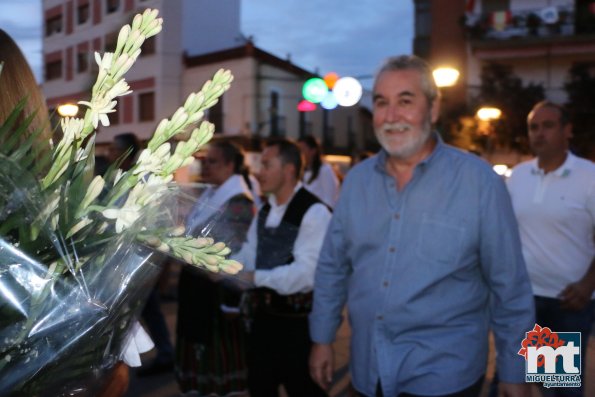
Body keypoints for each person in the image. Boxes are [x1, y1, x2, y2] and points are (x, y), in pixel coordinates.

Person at [308, 55, 535, 397]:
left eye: (405, 101)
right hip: (369, 372)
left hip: (448, 374)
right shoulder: (356, 183)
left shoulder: (479, 183)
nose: (391, 115)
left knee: (566, 383)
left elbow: (510, 287)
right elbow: (332, 267)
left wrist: (515, 372)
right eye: (382, 103)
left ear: (433, 109)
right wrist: (322, 338)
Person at [507, 101, 595, 397]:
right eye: (533, 127)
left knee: (563, 389)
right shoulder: (517, 176)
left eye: (548, 125)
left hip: (568, 300)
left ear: (567, 131)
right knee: (543, 383)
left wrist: (588, 283)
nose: (539, 133)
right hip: (528, 299)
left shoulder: (588, 176)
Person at [232, 138, 331, 397]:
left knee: (305, 390)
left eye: (266, 165)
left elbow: (307, 274)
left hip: (301, 328)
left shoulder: (315, 212)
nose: (258, 171)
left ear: (288, 170)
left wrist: (253, 277)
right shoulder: (266, 209)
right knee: (260, 387)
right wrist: (222, 263)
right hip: (264, 321)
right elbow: (249, 252)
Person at [176, 140, 255, 395]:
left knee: (216, 357)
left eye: (213, 161)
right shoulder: (211, 192)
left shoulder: (238, 201)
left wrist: (231, 300)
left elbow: (235, 252)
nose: (206, 166)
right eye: (205, 161)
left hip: (217, 292)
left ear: (230, 165)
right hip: (198, 286)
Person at [297, 135, 340, 208]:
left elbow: (330, 199)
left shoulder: (325, 170)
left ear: (313, 151)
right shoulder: (299, 172)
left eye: (302, 149)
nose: (299, 153)